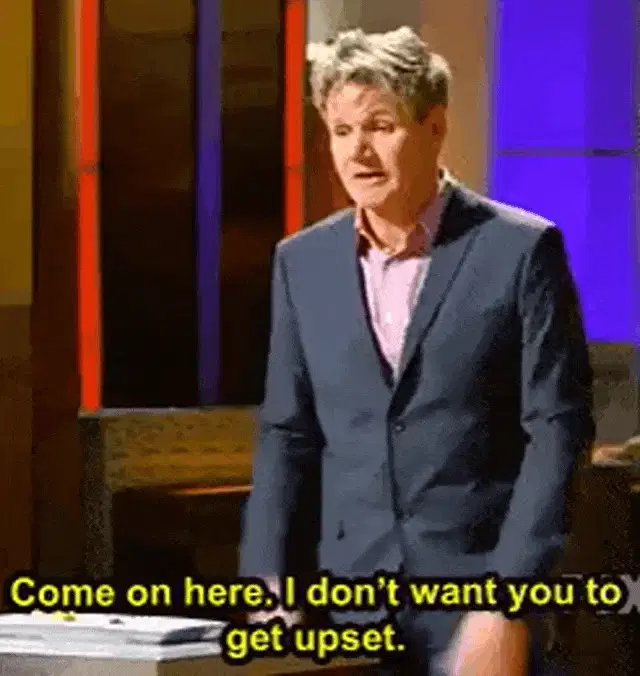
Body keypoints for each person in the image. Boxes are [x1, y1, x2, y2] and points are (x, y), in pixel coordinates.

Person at [239, 26, 595, 675]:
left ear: (434, 127)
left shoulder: (520, 251)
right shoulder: (301, 262)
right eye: (341, 130)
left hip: (478, 606)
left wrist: (509, 600)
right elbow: (288, 433)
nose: (358, 151)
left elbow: (557, 431)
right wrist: (267, 586)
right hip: (345, 607)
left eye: (380, 126)